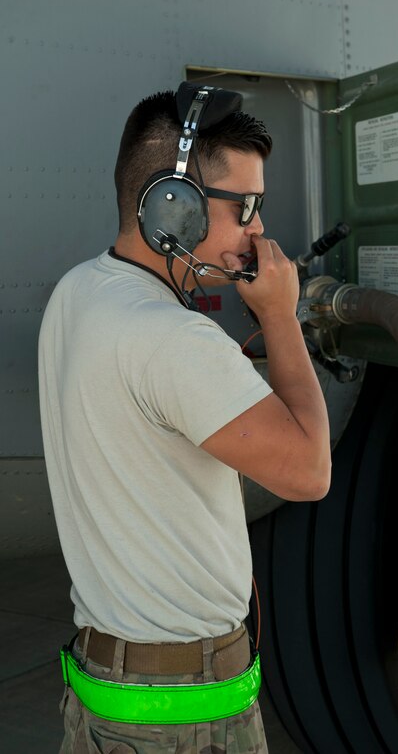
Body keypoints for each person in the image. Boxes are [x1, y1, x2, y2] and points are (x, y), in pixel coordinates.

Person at [38, 86, 331, 754]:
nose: (259, 229)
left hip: (109, 695)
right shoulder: (172, 339)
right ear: (175, 208)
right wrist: (280, 318)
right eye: (246, 208)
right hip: (180, 721)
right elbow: (309, 473)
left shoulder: (78, 291)